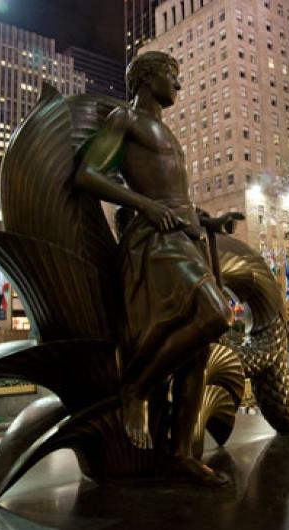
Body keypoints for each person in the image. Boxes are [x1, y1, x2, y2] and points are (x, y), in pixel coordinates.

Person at [75, 51, 236, 486]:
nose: (178, 86)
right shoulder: (125, 121)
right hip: (156, 242)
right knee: (216, 314)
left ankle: (181, 454)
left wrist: (207, 220)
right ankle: (137, 387)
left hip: (185, 235)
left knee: (197, 353)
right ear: (147, 79)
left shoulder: (165, 131)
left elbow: (173, 191)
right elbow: (88, 175)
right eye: (172, 76)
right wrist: (145, 206)